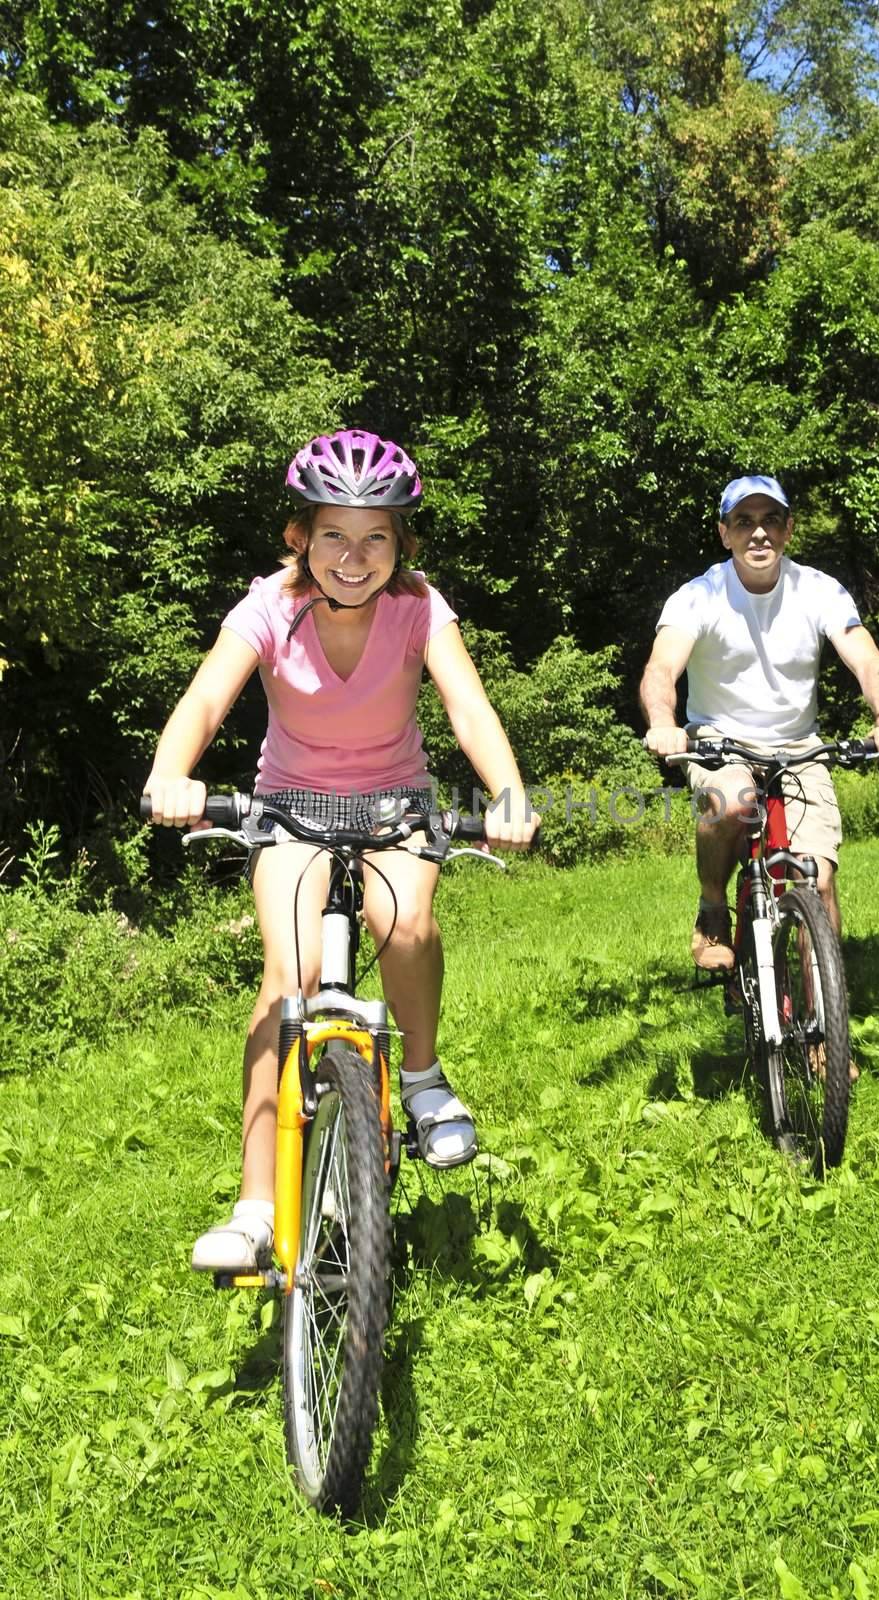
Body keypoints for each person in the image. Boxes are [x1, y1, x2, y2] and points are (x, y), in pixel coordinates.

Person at [144, 428, 537, 1272]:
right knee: (285, 982)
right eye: (333, 535)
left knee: (403, 926)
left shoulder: (420, 609)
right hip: (289, 805)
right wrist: (170, 775)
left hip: (396, 801)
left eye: (375, 538)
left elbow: (467, 709)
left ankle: (424, 1080)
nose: (352, 557)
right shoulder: (266, 609)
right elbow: (209, 696)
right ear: (300, 538)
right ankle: (255, 1206)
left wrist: (505, 794)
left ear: (401, 545)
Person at [639, 473, 879, 975]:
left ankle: (827, 1035)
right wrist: (663, 721)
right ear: (725, 534)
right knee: (733, 801)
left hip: (798, 744)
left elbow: (869, 662)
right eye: (744, 522)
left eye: (770, 521)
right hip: (719, 740)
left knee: (819, 881)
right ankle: (713, 908)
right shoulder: (700, 596)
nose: (758, 533)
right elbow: (661, 669)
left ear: (788, 530)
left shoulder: (818, 591)